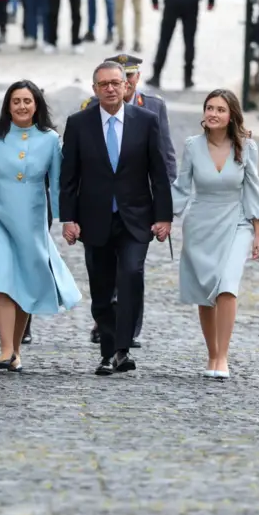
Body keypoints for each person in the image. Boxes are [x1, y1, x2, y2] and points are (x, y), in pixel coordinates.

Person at [60, 61, 174, 375]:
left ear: (126, 86)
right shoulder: (79, 123)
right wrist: (68, 218)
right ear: (95, 90)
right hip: (94, 219)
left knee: (131, 274)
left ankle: (119, 349)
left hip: (136, 218)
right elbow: (69, 177)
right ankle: (109, 350)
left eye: (116, 83)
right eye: (103, 84)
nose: (110, 89)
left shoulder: (146, 121)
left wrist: (164, 217)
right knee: (100, 290)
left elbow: (159, 173)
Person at [0, 81, 81, 371]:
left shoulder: (51, 139)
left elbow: (56, 184)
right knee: (1, 278)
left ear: (36, 105)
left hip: (31, 215)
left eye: (27, 101)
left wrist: (66, 219)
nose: (21, 106)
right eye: (15, 101)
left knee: (24, 280)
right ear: (7, 105)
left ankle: (15, 348)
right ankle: (5, 349)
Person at [172, 90, 259, 379]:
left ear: (231, 115)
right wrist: (163, 219)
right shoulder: (192, 146)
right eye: (209, 108)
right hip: (201, 223)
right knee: (206, 290)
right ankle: (211, 354)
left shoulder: (247, 147)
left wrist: (258, 233)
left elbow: (253, 189)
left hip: (236, 222)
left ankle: (223, 356)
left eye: (220, 109)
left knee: (227, 286)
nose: (213, 113)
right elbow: (182, 187)